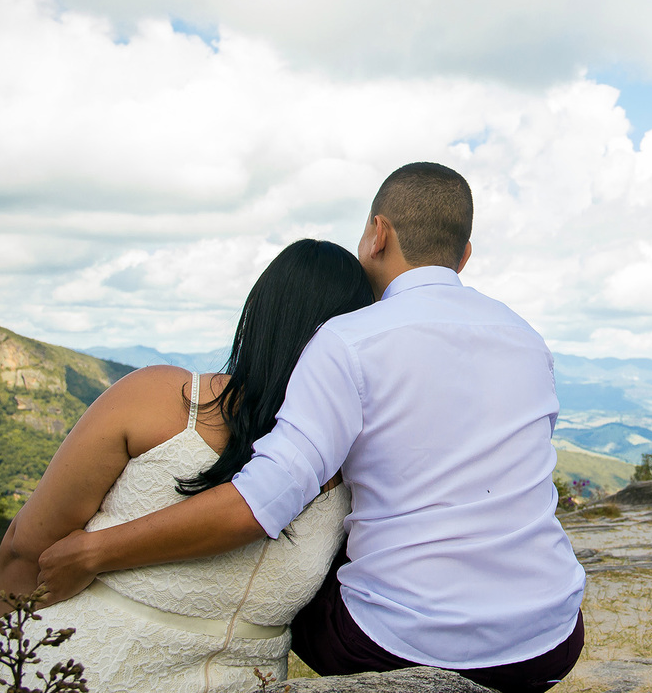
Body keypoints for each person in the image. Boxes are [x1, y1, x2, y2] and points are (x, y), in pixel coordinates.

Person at [37, 162, 587, 693]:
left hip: (399, 645)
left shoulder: (349, 338)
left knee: (294, 562)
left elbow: (261, 502)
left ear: (377, 234)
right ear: (463, 255)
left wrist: (92, 552)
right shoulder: (528, 339)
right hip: (551, 640)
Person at [0, 239, 374, 693]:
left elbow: (25, 545)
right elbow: (24, 550)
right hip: (80, 672)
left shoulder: (154, 398)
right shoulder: (354, 462)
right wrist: (14, 663)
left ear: (258, 316)